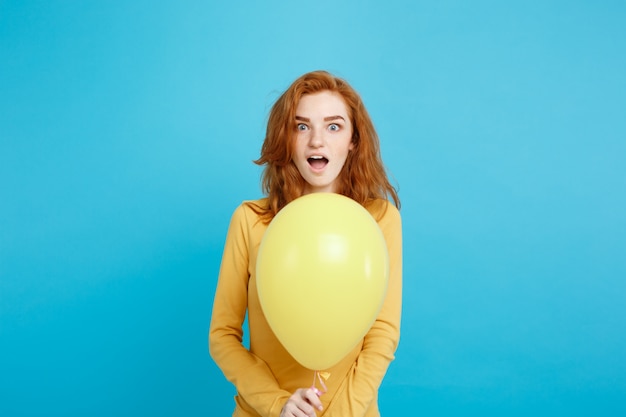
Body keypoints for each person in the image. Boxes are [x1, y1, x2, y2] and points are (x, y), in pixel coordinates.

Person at [209, 70, 402, 417]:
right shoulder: (250, 221)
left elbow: (383, 333)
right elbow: (222, 336)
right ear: (287, 139)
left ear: (353, 141)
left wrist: (342, 413)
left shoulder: (380, 219)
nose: (317, 141)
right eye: (302, 126)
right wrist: (277, 404)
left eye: (333, 126)